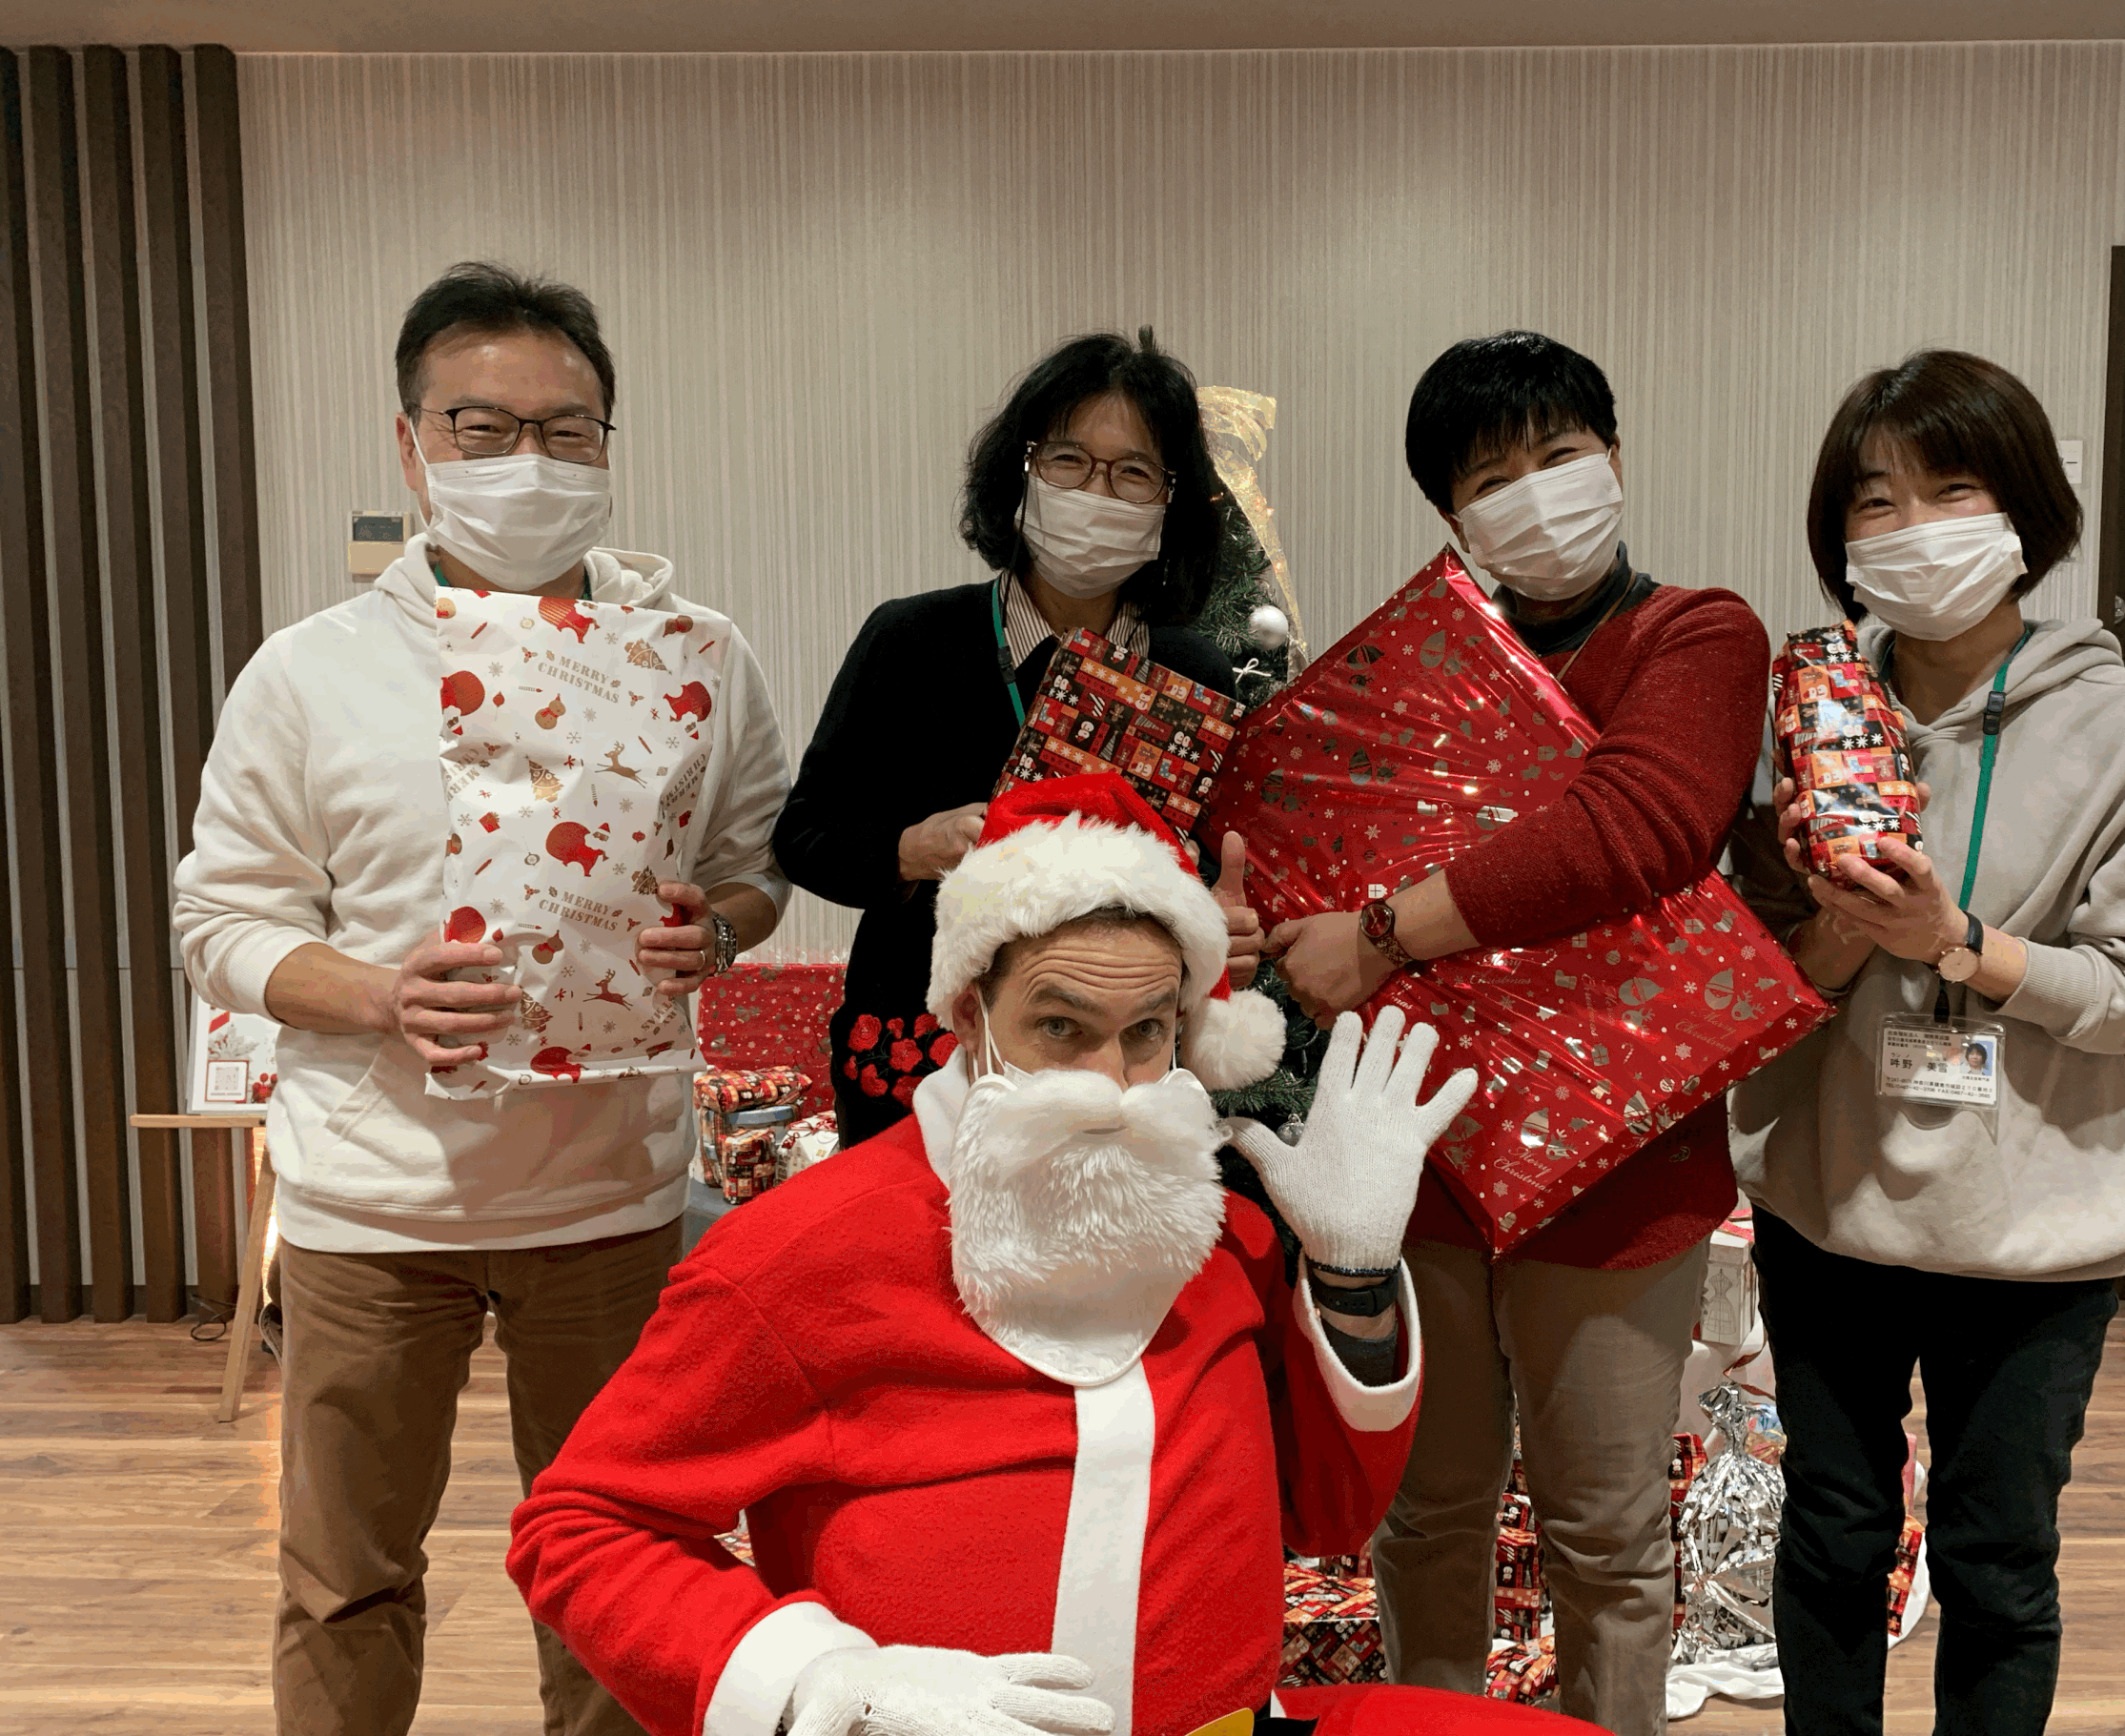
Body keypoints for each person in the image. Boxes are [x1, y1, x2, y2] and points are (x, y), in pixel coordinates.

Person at [506, 773, 1568, 1736]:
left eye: (1147, 1032)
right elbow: (583, 1526)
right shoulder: (798, 1254)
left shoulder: (1217, 1235)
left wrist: (1349, 1274)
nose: (1109, 1084)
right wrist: (824, 1680)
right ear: (970, 1016)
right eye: (1060, 1027)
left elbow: (1327, 1516)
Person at [172, 262, 793, 1736]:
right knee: (346, 1577)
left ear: (606, 444)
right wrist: (376, 991)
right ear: (412, 445)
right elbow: (222, 916)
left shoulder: (698, 658)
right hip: (374, 1201)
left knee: (619, 1564)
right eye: (482, 426)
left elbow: (755, 863)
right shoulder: (310, 673)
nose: (528, 461)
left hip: (611, 1191)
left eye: (565, 430)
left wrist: (718, 929)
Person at [1730, 348, 2125, 1735]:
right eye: (1876, 501)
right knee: (1831, 1530)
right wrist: (1845, 935)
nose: (1912, 529)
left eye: (1951, 490)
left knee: (1997, 1556)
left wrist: (1958, 943)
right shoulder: (1807, 721)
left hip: (2039, 1227)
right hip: (1829, 1199)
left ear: (2025, 509)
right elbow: (1748, 976)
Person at [1267, 332, 1772, 1736]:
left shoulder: (1695, 636)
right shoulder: (1413, 671)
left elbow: (1636, 829)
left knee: (1605, 1535)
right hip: (1420, 1153)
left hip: (1620, 1168)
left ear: (1613, 455)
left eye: (1559, 454)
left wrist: (1378, 933)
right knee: (1425, 1514)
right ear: (1450, 513)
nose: (1535, 494)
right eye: (1493, 477)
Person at [773, 330, 1264, 1144]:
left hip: (1121, 1065)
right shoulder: (912, 640)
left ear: (1170, 504)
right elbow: (804, 836)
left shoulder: (1194, 673)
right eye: (1069, 460)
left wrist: (1221, 926)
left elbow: (1214, 867)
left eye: (1134, 472)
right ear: (1021, 473)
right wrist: (909, 849)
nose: (1098, 491)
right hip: (925, 1058)